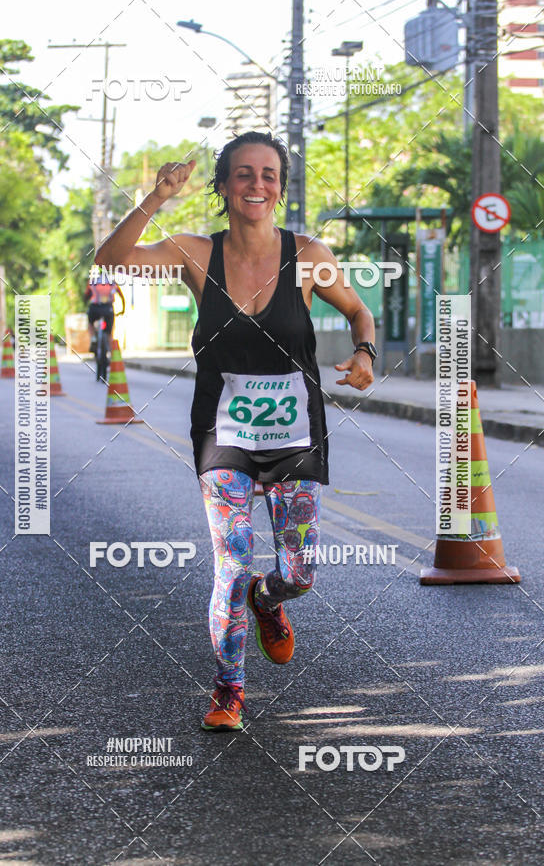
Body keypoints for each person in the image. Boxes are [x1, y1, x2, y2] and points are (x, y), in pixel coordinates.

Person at [95, 131, 376, 731]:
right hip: (222, 434)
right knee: (232, 563)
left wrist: (366, 353)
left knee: (300, 572)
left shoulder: (308, 253)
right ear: (223, 187)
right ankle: (229, 690)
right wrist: (156, 196)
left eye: (269, 174)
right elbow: (111, 261)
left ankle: (270, 599)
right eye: (243, 173)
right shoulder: (198, 253)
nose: (257, 183)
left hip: (295, 433)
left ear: (280, 188)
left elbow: (357, 308)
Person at [84, 275, 125, 352]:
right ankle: (111, 350)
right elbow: (121, 296)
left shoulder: (92, 281)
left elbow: (86, 296)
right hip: (107, 308)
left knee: (90, 323)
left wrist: (85, 304)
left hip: (95, 308)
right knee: (110, 331)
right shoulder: (112, 282)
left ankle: (93, 338)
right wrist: (123, 309)